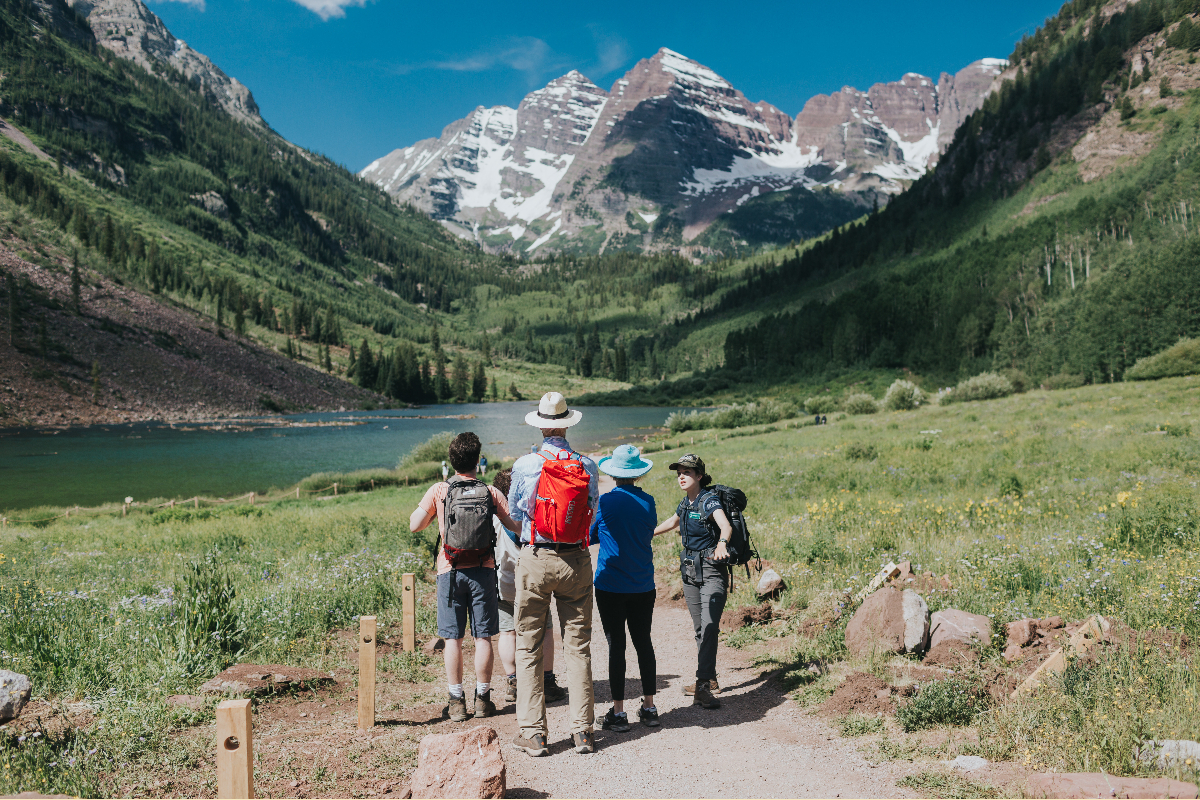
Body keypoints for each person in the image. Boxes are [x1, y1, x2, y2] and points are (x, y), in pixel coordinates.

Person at [508, 392, 600, 757]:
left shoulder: (525, 464)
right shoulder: (587, 465)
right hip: (575, 558)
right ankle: (583, 733)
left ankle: (533, 734)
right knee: (578, 647)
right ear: (566, 422)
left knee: (528, 645)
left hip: (536, 556)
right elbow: (592, 505)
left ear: (541, 425)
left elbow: (517, 510)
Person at [410, 432, 519, 722]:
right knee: (483, 637)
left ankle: (456, 702)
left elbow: (414, 525)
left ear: (452, 460)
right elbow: (515, 526)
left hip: (450, 571)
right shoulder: (490, 492)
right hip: (483, 571)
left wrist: (437, 515)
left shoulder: (439, 491)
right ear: (477, 460)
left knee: (453, 639)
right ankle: (483, 699)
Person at [652, 453, 732, 710]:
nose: (681, 477)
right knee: (700, 629)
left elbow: (725, 526)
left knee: (709, 627)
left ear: (699, 475)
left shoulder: (708, 500)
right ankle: (709, 679)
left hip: (711, 570)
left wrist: (722, 543)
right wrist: (648, 533)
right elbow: (673, 522)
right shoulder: (685, 502)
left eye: (687, 472)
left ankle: (701, 687)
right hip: (689, 573)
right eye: (679, 473)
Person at [591, 444, 660, 731]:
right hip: (643, 583)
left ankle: (618, 713)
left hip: (611, 585)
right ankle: (649, 707)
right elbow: (649, 531)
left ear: (614, 473)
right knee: (643, 641)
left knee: (616, 645)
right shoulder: (649, 502)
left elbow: (591, 535)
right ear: (637, 474)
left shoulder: (605, 502)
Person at [490, 468, 565, 706]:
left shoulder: (492, 518)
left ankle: (514, 683)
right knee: (545, 628)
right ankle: (547, 681)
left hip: (502, 582)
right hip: (532, 579)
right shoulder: (528, 514)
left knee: (507, 632)